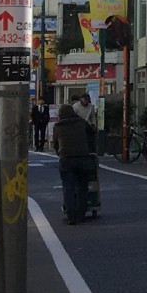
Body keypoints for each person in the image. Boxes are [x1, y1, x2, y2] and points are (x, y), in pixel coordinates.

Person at [52, 94, 97, 225]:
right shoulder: (81, 122)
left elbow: (56, 144)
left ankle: (71, 215)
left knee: (68, 187)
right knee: (82, 186)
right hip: (83, 157)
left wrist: (60, 153)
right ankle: (81, 213)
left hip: (66, 158)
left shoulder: (58, 126)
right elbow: (92, 132)